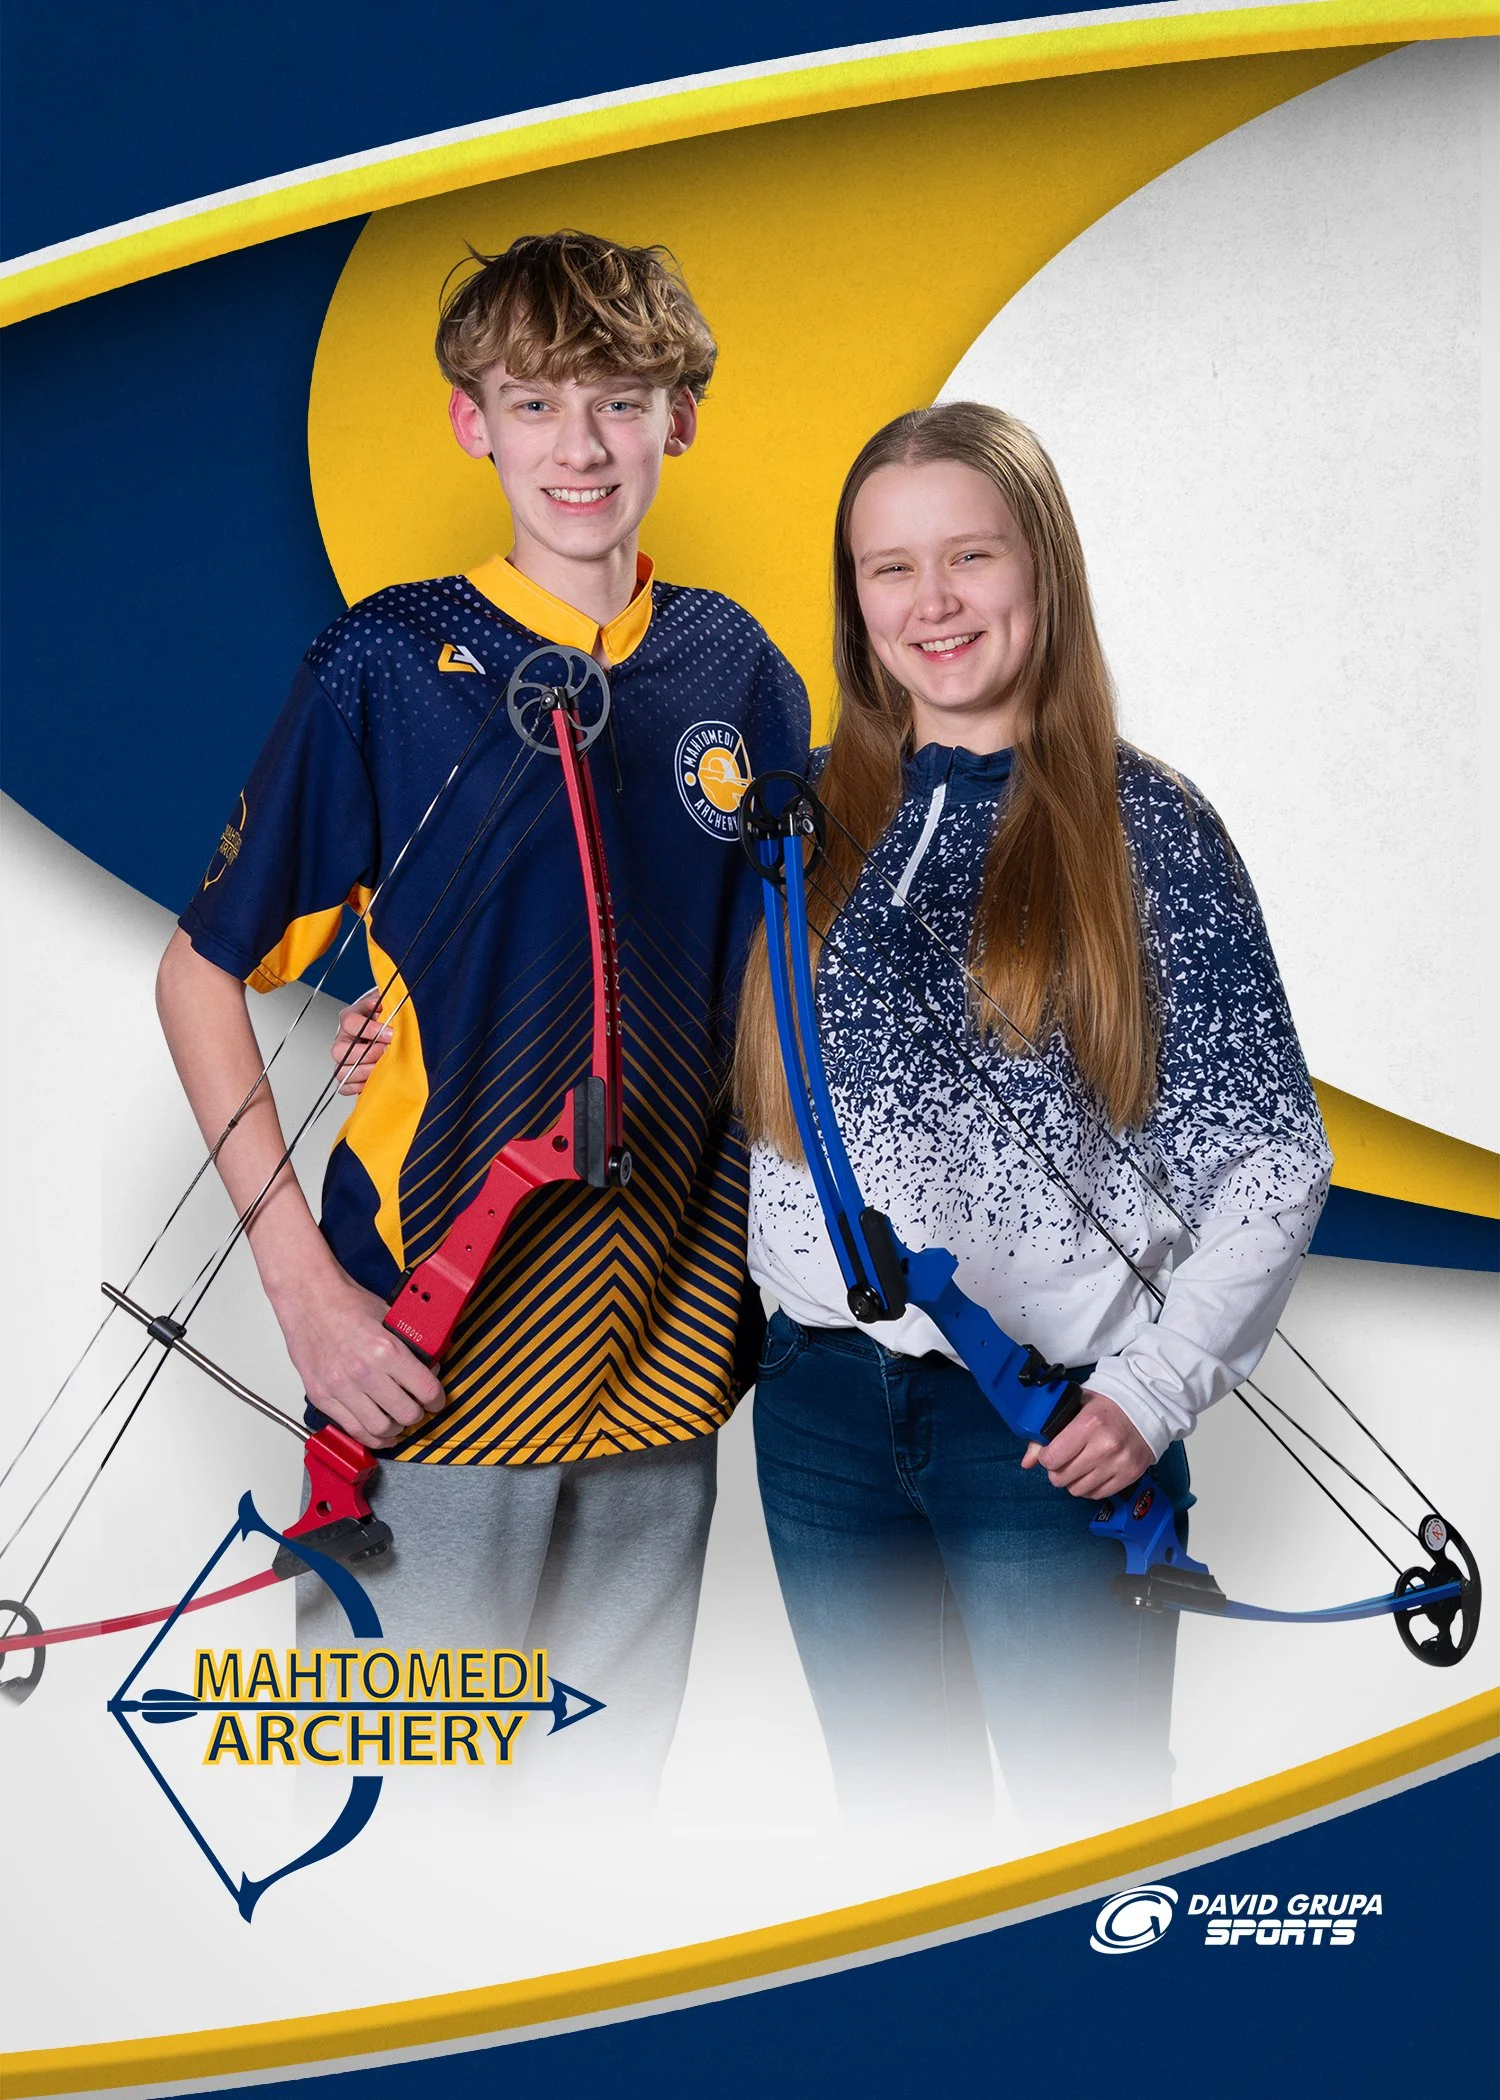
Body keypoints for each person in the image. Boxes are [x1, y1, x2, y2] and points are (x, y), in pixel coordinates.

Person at [157, 231, 809, 1809]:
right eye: (534, 404)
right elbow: (202, 973)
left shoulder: (742, 671)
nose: (579, 448)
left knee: (590, 1855)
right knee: (407, 1853)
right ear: (473, 424)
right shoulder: (385, 660)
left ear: (683, 415)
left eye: (619, 400)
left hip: (663, 1364)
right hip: (422, 1366)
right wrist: (306, 1292)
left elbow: (772, 1007)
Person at [731, 402, 1331, 1834]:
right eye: (890, 570)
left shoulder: (1148, 829)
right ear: (854, 601)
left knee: (1091, 1848)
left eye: (970, 558)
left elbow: (1269, 1154)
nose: (931, 605)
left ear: (1042, 573)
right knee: (896, 1849)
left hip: (1047, 1427)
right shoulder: (802, 825)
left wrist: (1151, 1389)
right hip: (816, 1415)